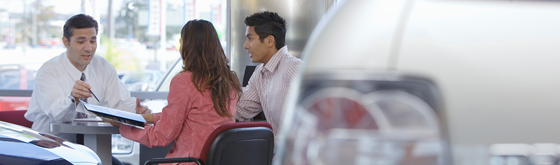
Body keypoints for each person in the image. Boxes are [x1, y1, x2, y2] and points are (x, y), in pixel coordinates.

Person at [112, 19, 242, 160]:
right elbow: (193, 116)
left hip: (189, 161)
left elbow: (162, 136)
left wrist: (124, 126)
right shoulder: (228, 81)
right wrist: (142, 118)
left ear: (188, 46)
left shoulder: (185, 81)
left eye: (181, 42)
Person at [24, 14, 150, 143]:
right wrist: (73, 99)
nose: (89, 48)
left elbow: (118, 102)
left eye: (92, 41)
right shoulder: (49, 70)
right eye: (81, 42)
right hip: (53, 146)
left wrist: (134, 111)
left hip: (96, 145)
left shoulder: (103, 66)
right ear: (66, 42)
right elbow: (58, 115)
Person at [234, 11, 302, 136]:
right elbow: (241, 108)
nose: (245, 45)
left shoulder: (294, 68)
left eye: (250, 38)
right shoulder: (259, 73)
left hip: (294, 153)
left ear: (270, 41)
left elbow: (315, 118)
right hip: (276, 151)